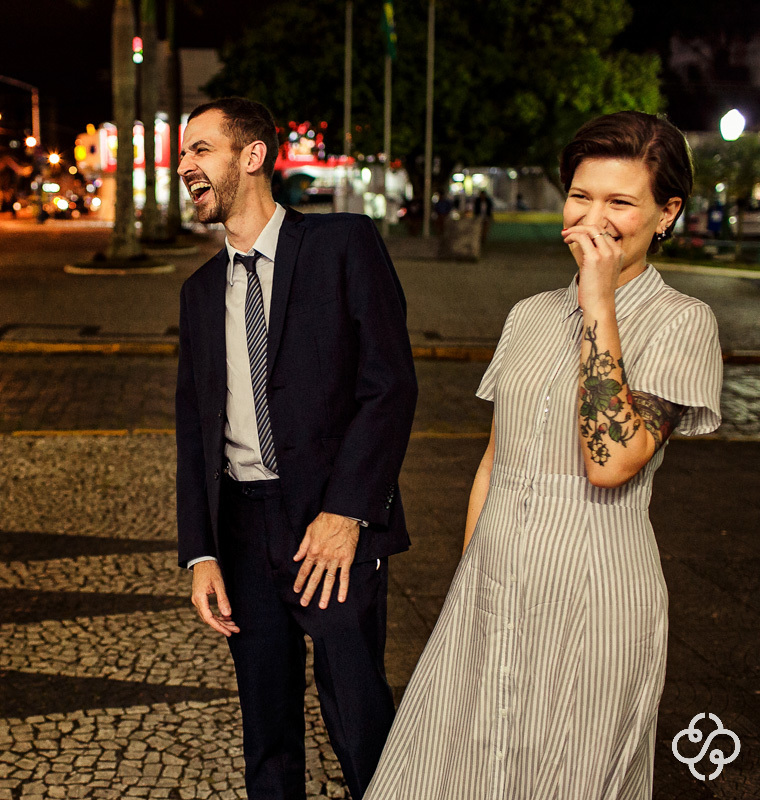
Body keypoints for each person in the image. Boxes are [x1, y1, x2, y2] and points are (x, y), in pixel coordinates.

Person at [365, 111, 722, 798]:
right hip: (492, 588)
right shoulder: (527, 315)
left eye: (620, 201)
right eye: (582, 196)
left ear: (666, 212)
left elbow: (611, 461)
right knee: (447, 772)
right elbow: (496, 462)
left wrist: (598, 301)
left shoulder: (685, 322)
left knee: (565, 774)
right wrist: (470, 583)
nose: (595, 217)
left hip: (595, 597)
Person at [175, 96, 417, 799]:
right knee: (266, 726)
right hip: (244, 530)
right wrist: (202, 552)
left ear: (252, 156)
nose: (186, 166)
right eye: (184, 155)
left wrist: (347, 513)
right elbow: (194, 431)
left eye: (200, 150)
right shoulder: (197, 292)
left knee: (358, 714)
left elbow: (389, 386)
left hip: (331, 525)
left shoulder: (343, 245)